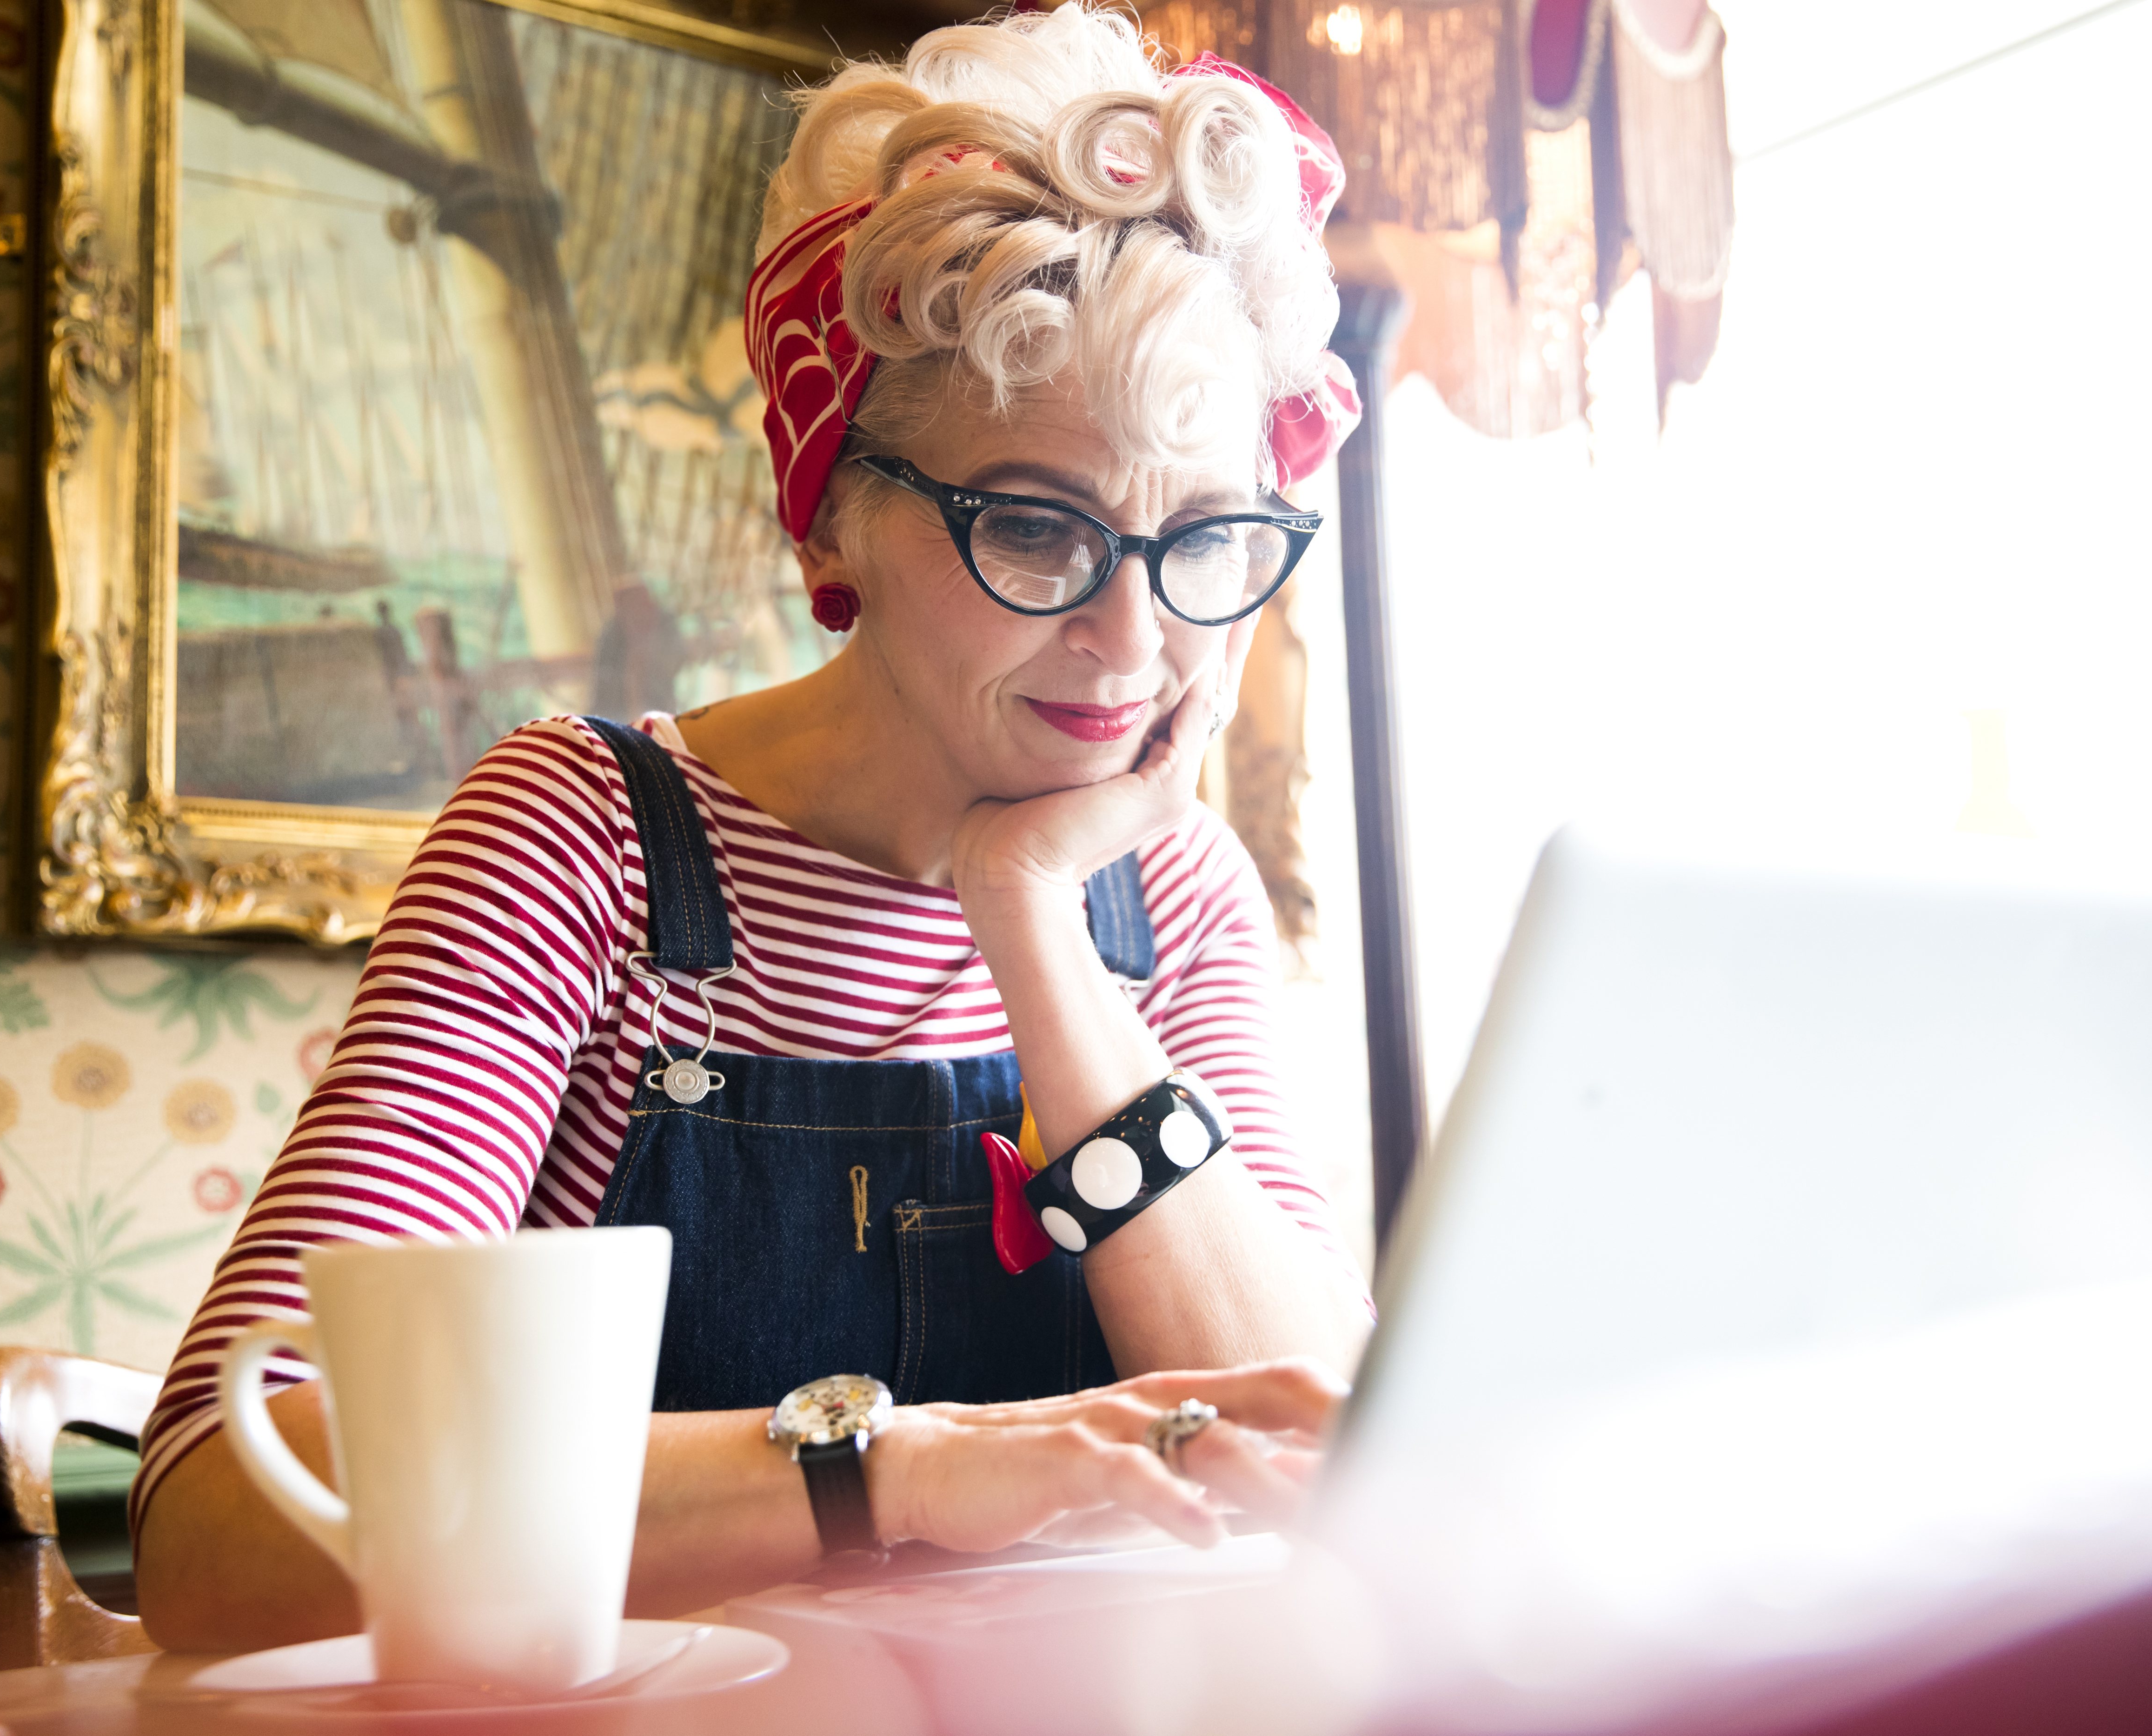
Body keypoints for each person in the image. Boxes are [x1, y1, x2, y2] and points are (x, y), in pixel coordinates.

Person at [136, 3, 1374, 1650]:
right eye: (1034, 525)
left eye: (1206, 537)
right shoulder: (586, 839)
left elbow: (1310, 1449)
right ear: (837, 516)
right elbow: (217, 1520)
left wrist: (1030, 921)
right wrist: (898, 1471)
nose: (1133, 641)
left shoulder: (1179, 892)